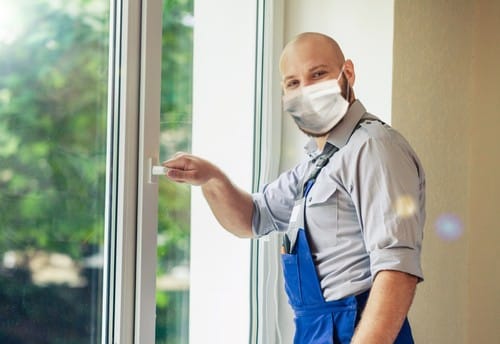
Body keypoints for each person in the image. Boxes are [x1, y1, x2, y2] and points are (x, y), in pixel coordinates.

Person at [163, 32, 425, 344]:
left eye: (318, 74)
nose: (307, 91)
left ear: (348, 74)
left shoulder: (373, 148)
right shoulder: (318, 165)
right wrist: (211, 178)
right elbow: (253, 217)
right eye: (293, 83)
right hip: (316, 329)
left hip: (355, 328)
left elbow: (397, 269)